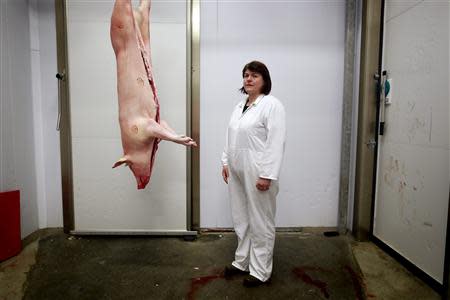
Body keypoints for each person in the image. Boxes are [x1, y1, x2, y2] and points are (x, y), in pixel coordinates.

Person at [221, 61, 286, 287]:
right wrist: (225, 161)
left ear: (264, 80)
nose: (248, 79)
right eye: (246, 75)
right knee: (241, 218)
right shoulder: (240, 106)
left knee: (261, 221)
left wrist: (267, 174)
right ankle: (243, 261)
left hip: (258, 170)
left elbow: (276, 142)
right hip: (237, 169)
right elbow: (231, 136)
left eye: (254, 75)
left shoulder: (271, 105)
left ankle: (260, 271)